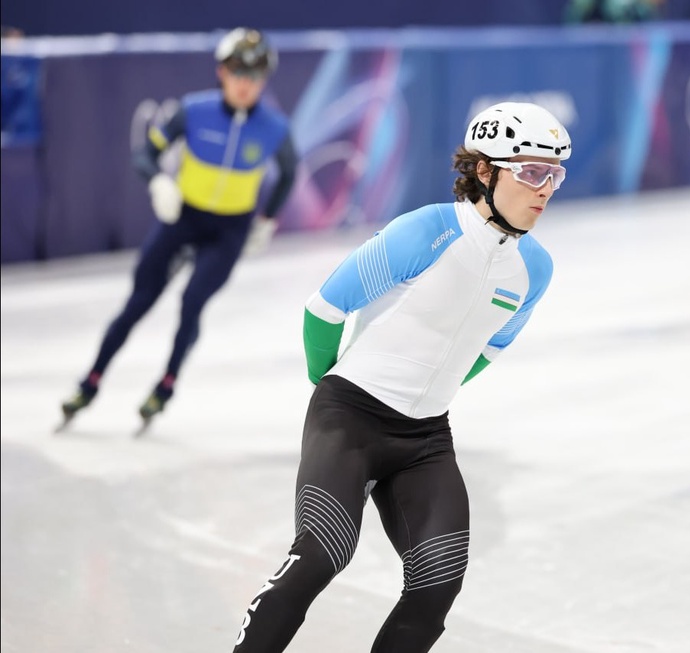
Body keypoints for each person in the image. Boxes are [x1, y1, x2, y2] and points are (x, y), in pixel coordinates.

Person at [231, 101, 571, 652]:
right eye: (532, 172)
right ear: (485, 171)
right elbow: (323, 310)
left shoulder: (534, 269)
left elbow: (489, 349)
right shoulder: (426, 231)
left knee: (437, 585)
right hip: (350, 420)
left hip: (425, 439)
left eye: (554, 175)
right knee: (321, 554)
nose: (545, 189)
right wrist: (330, 388)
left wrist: (428, 395)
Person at [60, 27, 298, 426]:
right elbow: (145, 154)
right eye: (238, 73)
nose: (245, 84)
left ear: (265, 81)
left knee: (192, 302)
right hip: (184, 219)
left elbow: (289, 173)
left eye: (255, 76)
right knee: (138, 302)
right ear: (221, 72)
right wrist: (158, 182)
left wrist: (267, 220)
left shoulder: (275, 129)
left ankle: (166, 386)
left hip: (229, 232)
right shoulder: (193, 110)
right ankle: (90, 382)